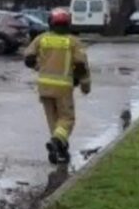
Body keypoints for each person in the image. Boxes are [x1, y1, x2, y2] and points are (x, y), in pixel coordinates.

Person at [23, 9, 91, 164]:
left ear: (50, 23)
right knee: (67, 119)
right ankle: (56, 142)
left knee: (54, 121)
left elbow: (28, 58)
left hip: (44, 87)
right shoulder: (73, 42)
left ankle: (59, 150)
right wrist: (85, 85)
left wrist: (40, 67)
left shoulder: (41, 39)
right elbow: (81, 66)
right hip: (63, 88)